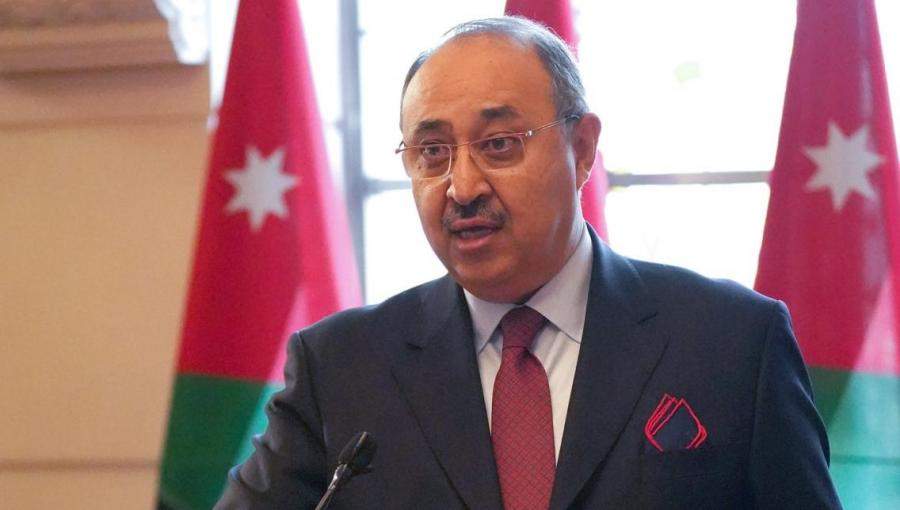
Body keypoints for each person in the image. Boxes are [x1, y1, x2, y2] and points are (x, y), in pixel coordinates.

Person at [216, 16, 841, 509]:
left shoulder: (732, 343)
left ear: (582, 148)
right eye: (431, 152)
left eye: (498, 144)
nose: (462, 187)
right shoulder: (339, 368)